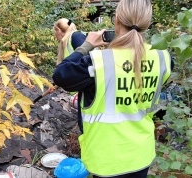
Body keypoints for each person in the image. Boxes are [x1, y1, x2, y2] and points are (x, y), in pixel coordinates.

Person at [52, 0, 173, 177]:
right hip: (141, 155)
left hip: (107, 159)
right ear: (147, 24)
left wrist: (87, 46)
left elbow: (61, 74)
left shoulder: (100, 62)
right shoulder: (163, 57)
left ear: (116, 20)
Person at [50, 18, 87, 133]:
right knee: (83, 123)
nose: (55, 35)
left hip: (86, 88)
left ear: (58, 30)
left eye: (55, 32)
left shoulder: (76, 37)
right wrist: (56, 84)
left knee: (85, 124)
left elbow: (86, 59)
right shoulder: (67, 42)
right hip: (80, 89)